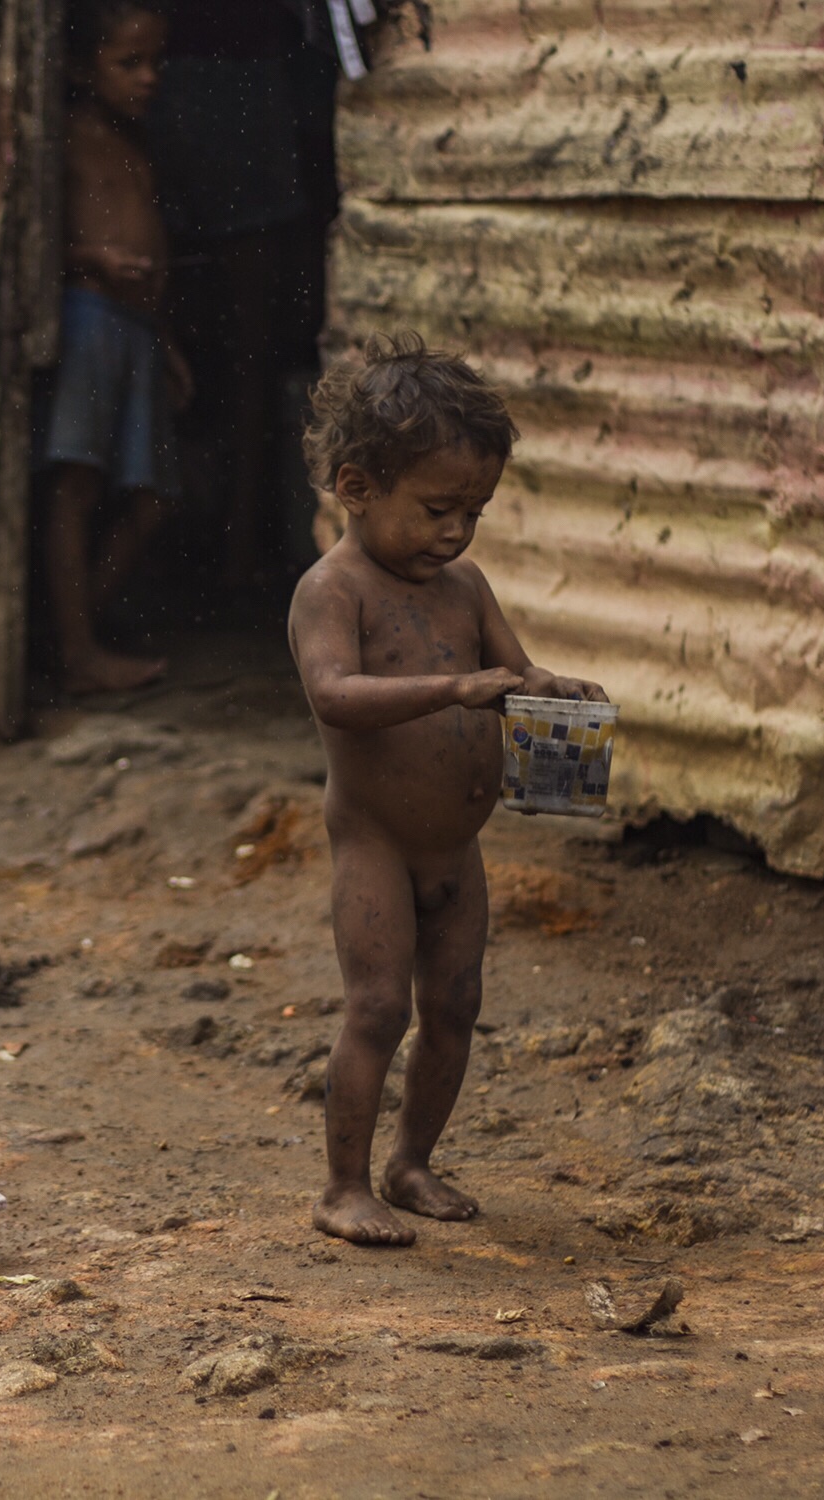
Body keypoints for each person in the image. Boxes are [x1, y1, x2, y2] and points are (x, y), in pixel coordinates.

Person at [289, 334, 608, 1247]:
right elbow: (334, 695)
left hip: (457, 851)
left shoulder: (465, 586)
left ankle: (411, 1163)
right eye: (436, 509)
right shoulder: (332, 590)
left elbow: (518, 675)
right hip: (378, 845)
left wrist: (554, 690)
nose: (456, 532)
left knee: (455, 1008)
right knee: (378, 1009)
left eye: (474, 511)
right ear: (356, 487)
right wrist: (456, 688)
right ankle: (343, 1187)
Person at [43, 0, 190, 695]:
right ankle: (77, 651)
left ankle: (72, 635)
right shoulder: (66, 138)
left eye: (156, 62)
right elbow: (34, 241)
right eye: (129, 62)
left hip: (137, 328)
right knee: (76, 484)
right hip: (90, 315)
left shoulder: (135, 144)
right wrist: (92, 260)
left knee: (153, 497)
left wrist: (165, 342)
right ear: (82, 66)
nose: (149, 77)